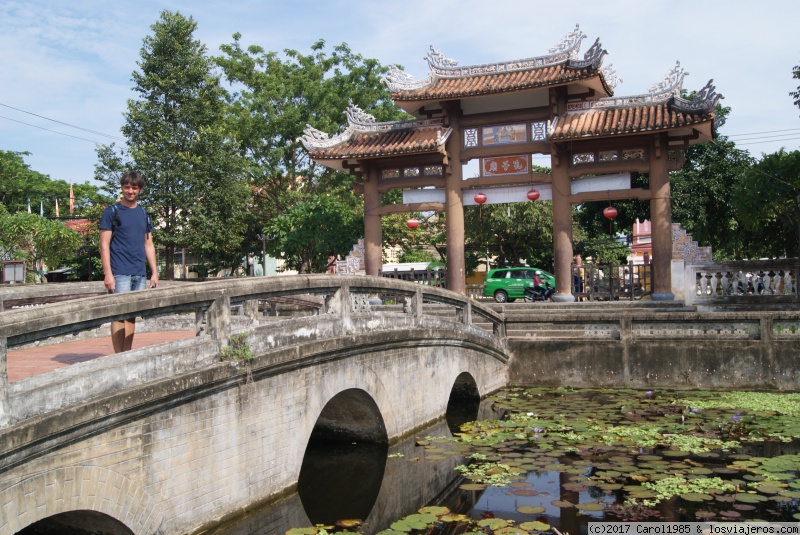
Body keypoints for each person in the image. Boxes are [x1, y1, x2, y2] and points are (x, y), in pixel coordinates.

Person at [99, 171, 159, 353]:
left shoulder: (144, 213)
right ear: (122, 188)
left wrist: (154, 272)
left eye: (134, 188)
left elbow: (148, 244)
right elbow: (104, 244)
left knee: (131, 315)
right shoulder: (112, 212)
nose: (130, 191)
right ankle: (119, 356)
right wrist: (108, 274)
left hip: (139, 272)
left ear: (140, 190)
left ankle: (127, 354)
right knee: (118, 315)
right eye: (127, 187)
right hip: (119, 271)